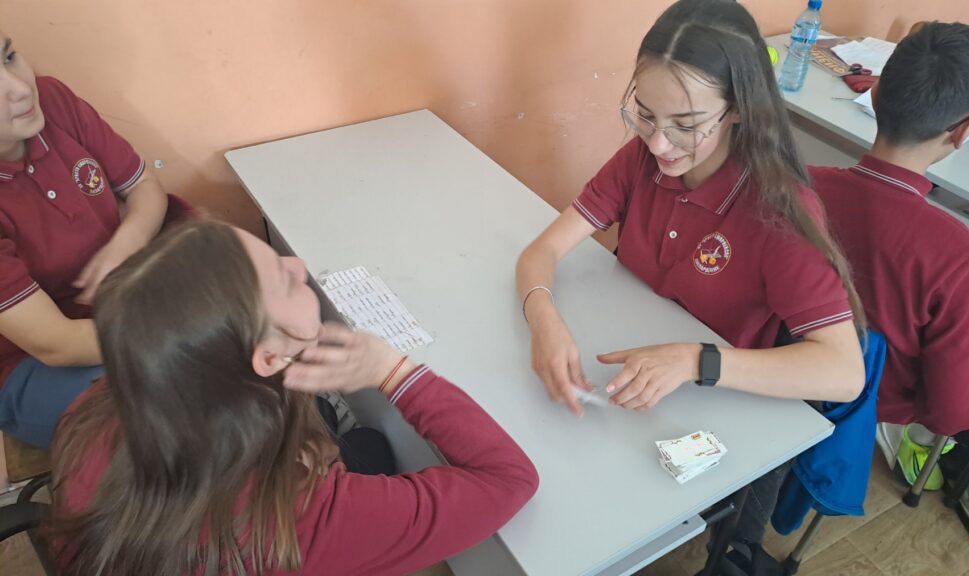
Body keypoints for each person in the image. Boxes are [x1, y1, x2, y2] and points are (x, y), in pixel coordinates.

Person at [515, 0, 865, 565]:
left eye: (686, 125)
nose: (659, 144)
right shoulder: (641, 161)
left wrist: (694, 360)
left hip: (712, 407)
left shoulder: (778, 212)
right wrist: (544, 320)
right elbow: (542, 250)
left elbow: (844, 373)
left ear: (739, 110)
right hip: (634, 385)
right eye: (645, 115)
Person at [49, 219, 539, 576]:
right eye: (285, 280)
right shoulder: (302, 519)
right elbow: (510, 480)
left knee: (363, 443)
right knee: (369, 448)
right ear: (267, 358)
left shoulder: (99, 407)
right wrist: (393, 371)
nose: (299, 265)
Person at [809, 22, 969, 561]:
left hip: (796, 360)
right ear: (965, 129)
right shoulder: (959, 254)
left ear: (877, 91)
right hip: (878, 393)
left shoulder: (803, 184)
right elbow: (954, 413)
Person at [0, 32, 173, 488]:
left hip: (122, 309)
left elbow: (144, 188)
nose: (20, 87)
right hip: (27, 366)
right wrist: (179, 336)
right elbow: (55, 344)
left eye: (9, 56)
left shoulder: (53, 102)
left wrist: (125, 244)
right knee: (173, 404)